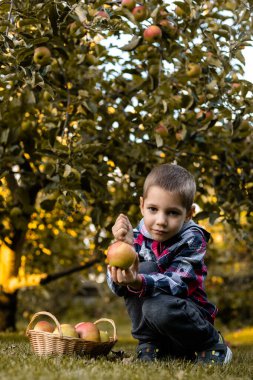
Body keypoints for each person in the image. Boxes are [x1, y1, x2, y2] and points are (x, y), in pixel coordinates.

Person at [107, 163, 232, 364]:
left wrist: (138, 281)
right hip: (159, 325)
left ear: (189, 213)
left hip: (188, 319)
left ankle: (212, 343)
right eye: (153, 209)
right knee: (142, 268)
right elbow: (117, 287)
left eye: (172, 212)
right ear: (142, 205)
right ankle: (150, 343)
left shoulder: (192, 239)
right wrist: (125, 247)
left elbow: (178, 283)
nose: (161, 221)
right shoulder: (137, 236)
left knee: (155, 304)